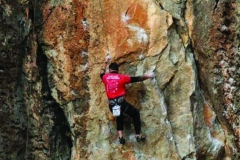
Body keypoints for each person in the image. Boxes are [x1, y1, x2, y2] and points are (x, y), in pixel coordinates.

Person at [100, 58, 154, 144]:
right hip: (122, 104)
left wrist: (105, 61)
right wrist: (148, 76)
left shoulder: (105, 77)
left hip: (112, 104)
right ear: (117, 70)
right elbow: (136, 79)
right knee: (135, 113)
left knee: (119, 116)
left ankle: (121, 137)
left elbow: (101, 72)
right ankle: (138, 135)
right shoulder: (121, 77)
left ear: (109, 70)